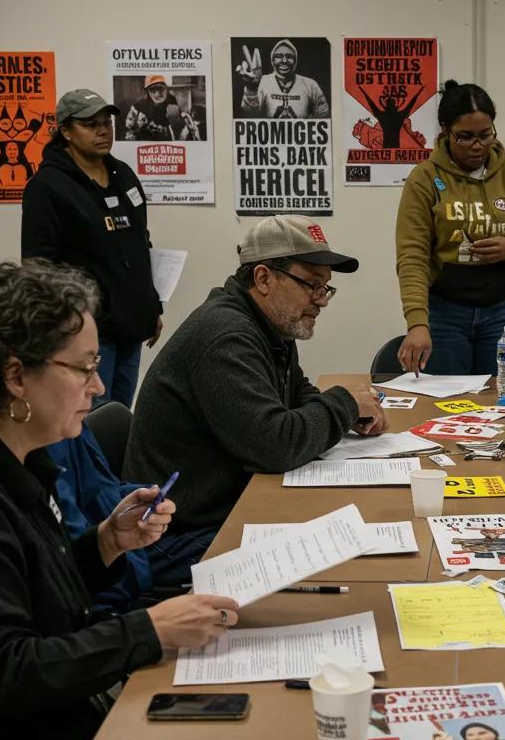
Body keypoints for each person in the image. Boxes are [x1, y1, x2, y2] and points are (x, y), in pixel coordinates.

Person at [0, 260, 239, 740]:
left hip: (37, 726)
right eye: (84, 367)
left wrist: (106, 543)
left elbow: (32, 597)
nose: (101, 384)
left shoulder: (21, 455)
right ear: (14, 377)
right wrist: (148, 631)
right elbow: (3, 671)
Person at [123, 216, 387, 586]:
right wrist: (344, 404)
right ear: (264, 279)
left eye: (326, 288)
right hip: (174, 540)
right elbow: (276, 444)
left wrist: (343, 413)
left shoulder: (269, 324)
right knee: (337, 557)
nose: (321, 301)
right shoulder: (227, 337)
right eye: (312, 284)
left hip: (222, 511)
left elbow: (298, 392)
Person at [395, 80, 505, 376]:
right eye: (465, 137)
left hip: (503, 312)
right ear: (445, 130)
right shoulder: (424, 178)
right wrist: (417, 322)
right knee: (444, 410)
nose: (477, 145)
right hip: (445, 314)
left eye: (485, 135)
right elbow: (412, 257)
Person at [22, 88, 163, 408]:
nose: (103, 130)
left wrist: (152, 304)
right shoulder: (48, 187)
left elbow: (141, 243)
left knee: (118, 417)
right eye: (90, 124)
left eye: (107, 123)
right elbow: (37, 268)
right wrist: (63, 328)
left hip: (131, 327)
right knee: (90, 420)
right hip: (88, 332)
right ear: (66, 131)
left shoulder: (123, 175)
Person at [46, 424, 152, 613]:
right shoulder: (44, 449)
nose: (100, 391)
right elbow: (70, 569)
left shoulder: (70, 426)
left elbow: (105, 487)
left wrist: (145, 499)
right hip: (106, 598)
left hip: (128, 573)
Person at [235, 40, 330, 119]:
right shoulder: (262, 82)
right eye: (279, 56)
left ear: (296, 60)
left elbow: (324, 117)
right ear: (272, 60)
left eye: (289, 57)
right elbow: (250, 113)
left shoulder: (310, 85)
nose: (284, 61)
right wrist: (252, 89)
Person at [124, 75, 201, 141]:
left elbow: (187, 133)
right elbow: (129, 132)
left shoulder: (175, 105)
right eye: (153, 90)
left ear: (166, 90)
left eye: (161, 89)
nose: (158, 94)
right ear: (147, 91)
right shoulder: (138, 108)